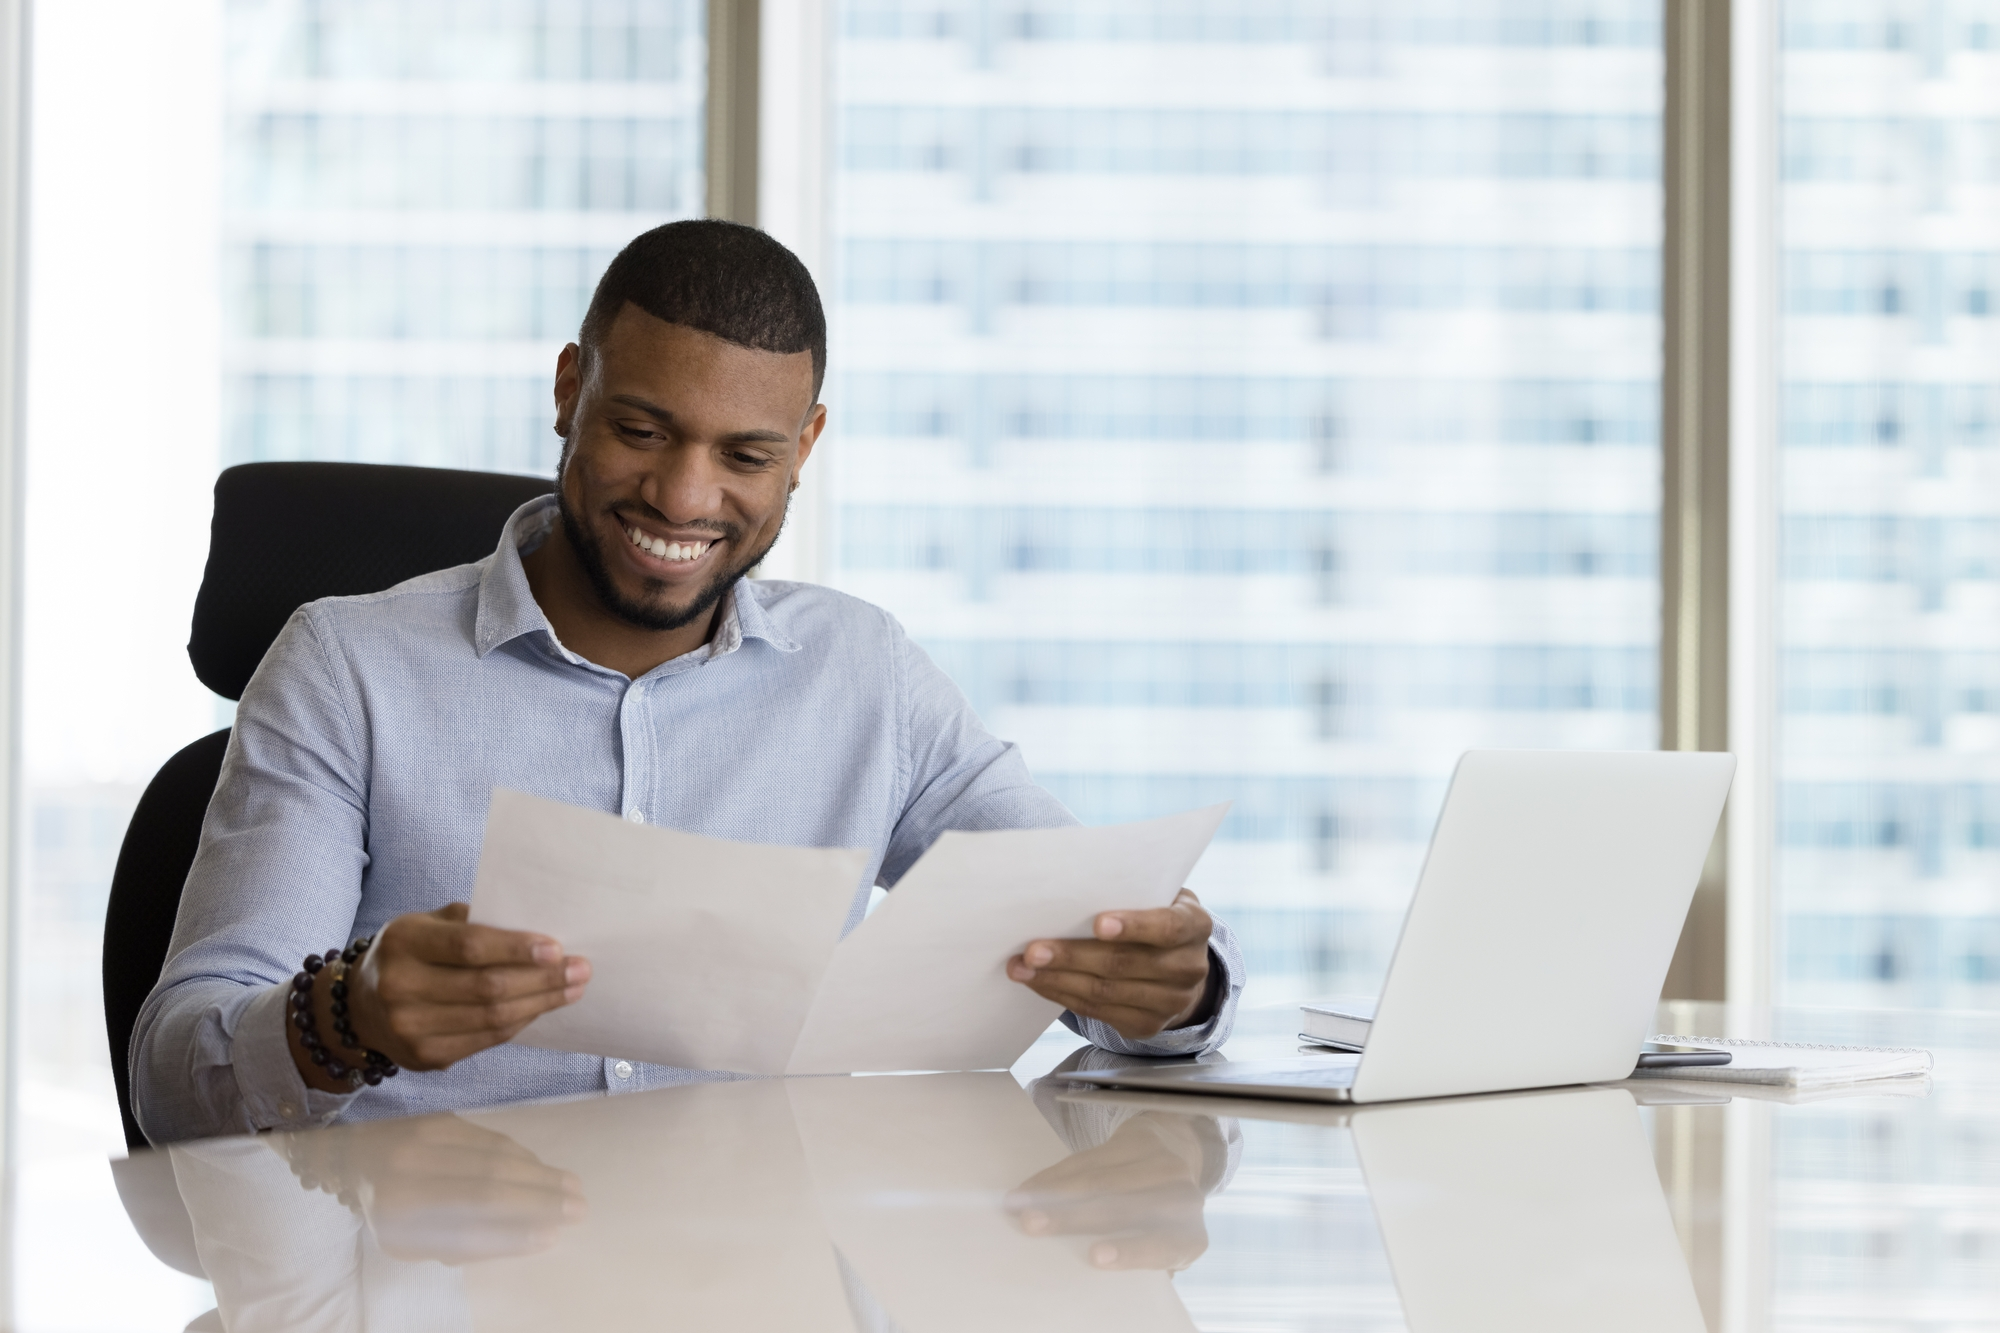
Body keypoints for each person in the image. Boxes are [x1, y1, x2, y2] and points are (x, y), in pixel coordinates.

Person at [131, 220, 1245, 1145]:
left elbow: (1097, 930)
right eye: (640, 430)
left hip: (760, 1277)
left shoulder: (865, 674)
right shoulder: (345, 668)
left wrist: (1172, 987)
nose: (682, 496)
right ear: (569, 389)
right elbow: (174, 1080)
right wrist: (346, 1019)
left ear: (804, 446)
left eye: (745, 456)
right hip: (432, 1281)